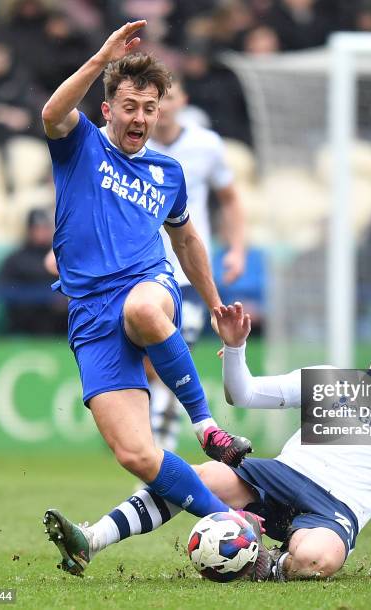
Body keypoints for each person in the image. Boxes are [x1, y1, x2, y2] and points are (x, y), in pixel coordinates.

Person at [45, 304, 371, 581]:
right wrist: (235, 348)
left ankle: (263, 561)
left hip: (338, 509)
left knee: (316, 560)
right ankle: (92, 539)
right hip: (283, 475)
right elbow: (244, 393)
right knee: (200, 477)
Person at [41, 21, 254, 566]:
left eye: (149, 107)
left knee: (141, 307)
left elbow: (186, 240)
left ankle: (206, 427)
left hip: (148, 288)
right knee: (136, 453)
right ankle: (227, 519)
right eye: (130, 106)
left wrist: (214, 304)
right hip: (90, 316)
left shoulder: (168, 171)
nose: (139, 117)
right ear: (108, 109)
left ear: (160, 112)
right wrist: (99, 59)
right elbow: (50, 114)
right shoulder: (80, 144)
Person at [143, 75, 246, 452]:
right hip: (141, 270)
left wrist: (236, 249)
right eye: (157, 97)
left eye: (170, 97)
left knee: (173, 355)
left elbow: (230, 199)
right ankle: (154, 442)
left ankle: (159, 454)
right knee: (152, 367)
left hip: (186, 271)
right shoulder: (131, 144)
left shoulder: (207, 144)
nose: (164, 105)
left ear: (184, 99)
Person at [0, 208, 67, 335]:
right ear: (29, 230)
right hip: (25, 325)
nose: (41, 232)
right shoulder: (15, 260)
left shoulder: (62, 257)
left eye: (45, 228)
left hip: (59, 326)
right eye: (37, 228)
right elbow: (5, 291)